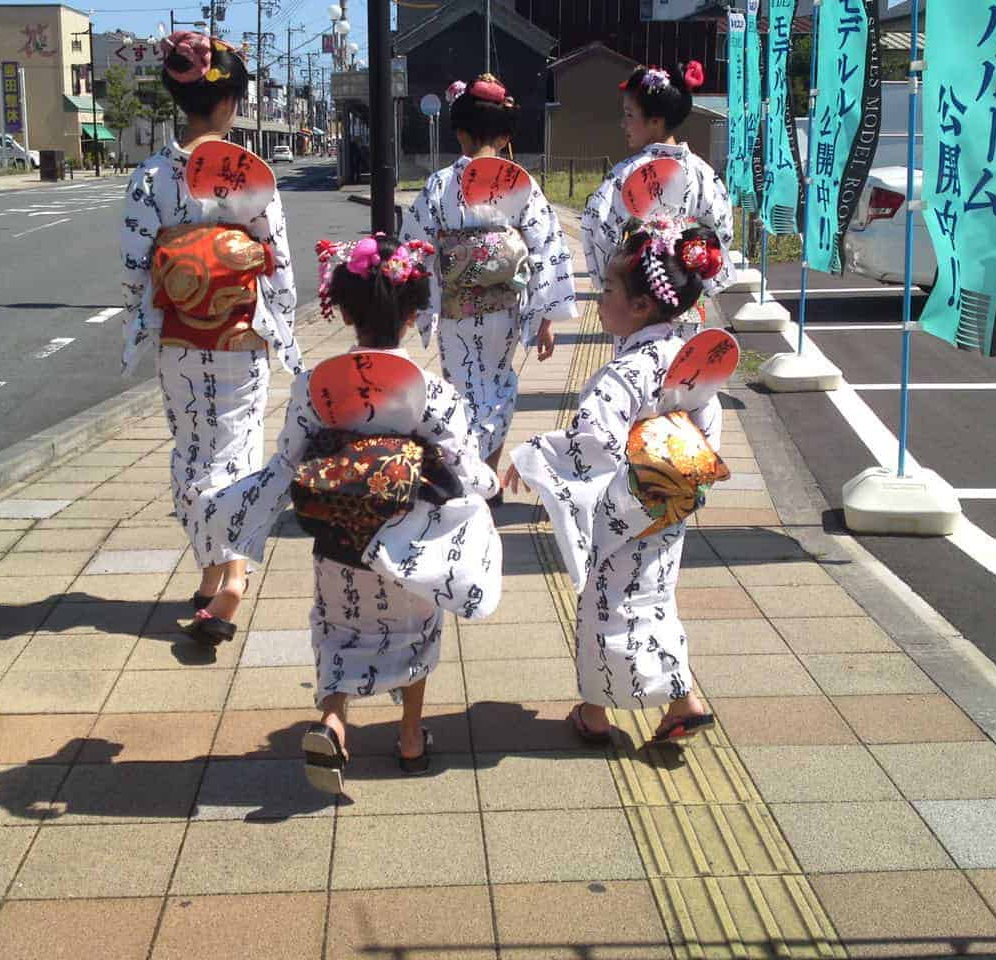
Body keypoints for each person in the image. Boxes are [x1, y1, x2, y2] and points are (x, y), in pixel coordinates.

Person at [234, 235, 501, 794]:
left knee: (337, 628)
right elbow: (465, 467)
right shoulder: (433, 390)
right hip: (412, 537)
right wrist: (487, 485)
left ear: (345, 309)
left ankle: (333, 721)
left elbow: (287, 456)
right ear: (412, 313)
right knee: (417, 629)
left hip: (339, 534)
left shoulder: (316, 385)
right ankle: (409, 738)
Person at [506, 220, 726, 745]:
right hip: (671, 507)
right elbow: (708, 432)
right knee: (655, 600)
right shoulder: (689, 359)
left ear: (642, 306)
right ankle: (682, 699)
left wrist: (537, 454)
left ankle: (597, 714)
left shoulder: (626, 372)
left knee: (607, 606)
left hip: (625, 510)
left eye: (607, 290)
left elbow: (596, 444)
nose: (600, 299)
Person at [119, 31, 301, 645]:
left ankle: (215, 571)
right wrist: (283, 325)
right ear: (230, 105)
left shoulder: (150, 177)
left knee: (192, 452)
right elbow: (275, 260)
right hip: (241, 332)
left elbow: (132, 264)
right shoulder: (250, 175)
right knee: (239, 450)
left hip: (178, 337)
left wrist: (152, 306)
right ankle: (231, 574)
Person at [401, 74, 578, 493]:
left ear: (459, 131)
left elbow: (415, 246)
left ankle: (467, 476)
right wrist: (545, 317)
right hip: (505, 309)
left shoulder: (440, 184)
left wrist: (416, 303)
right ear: (503, 135)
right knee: (498, 384)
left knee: (460, 388)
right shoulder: (521, 184)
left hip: (456, 311)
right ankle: (489, 478)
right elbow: (544, 245)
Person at [581, 61, 735, 337]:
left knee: (637, 375)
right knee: (681, 375)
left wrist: (612, 282)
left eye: (629, 115)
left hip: (636, 305)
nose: (623, 124)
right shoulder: (702, 172)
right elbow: (721, 230)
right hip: (685, 301)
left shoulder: (625, 174)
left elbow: (597, 228)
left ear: (655, 121)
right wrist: (701, 277)